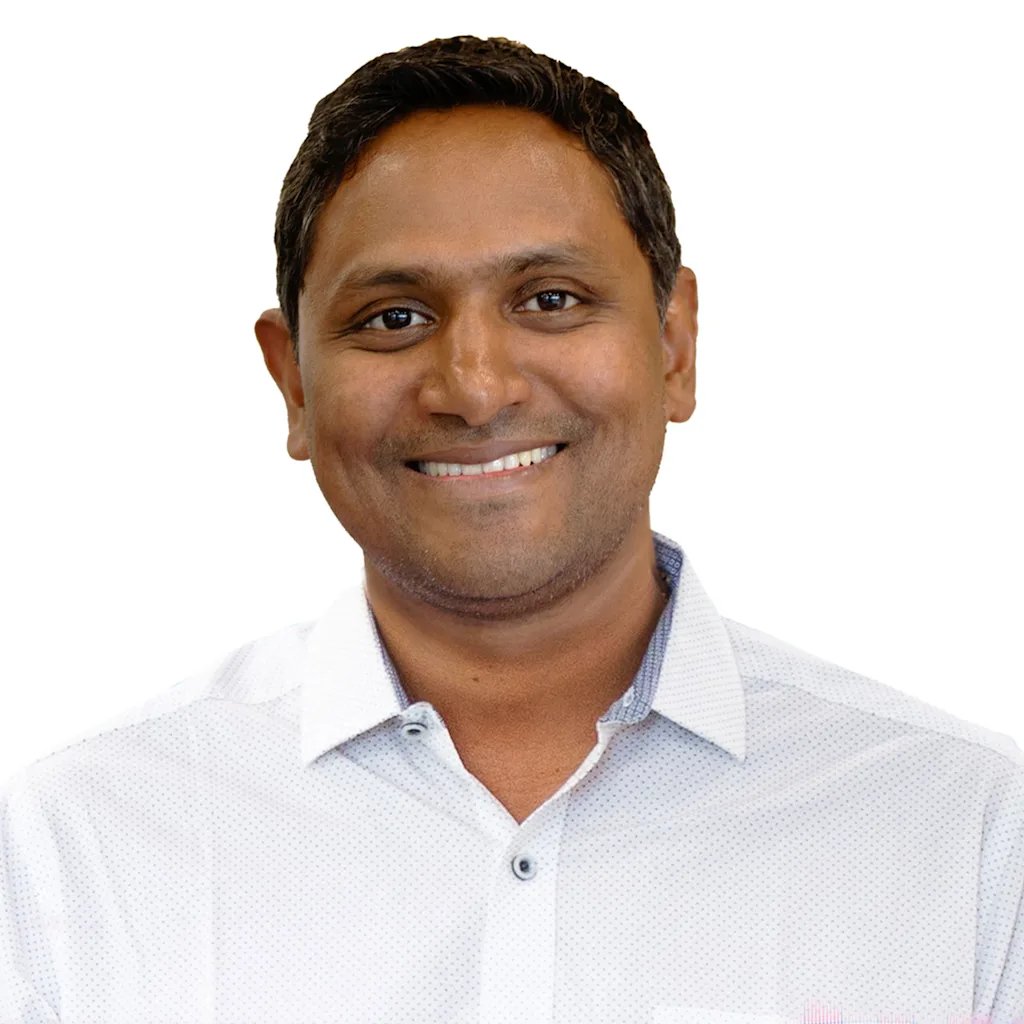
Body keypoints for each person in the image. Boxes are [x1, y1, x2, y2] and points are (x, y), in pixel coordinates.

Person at [1, 34, 1020, 1024]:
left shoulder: (967, 837)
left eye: (550, 299)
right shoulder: (74, 853)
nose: (476, 387)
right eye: (394, 317)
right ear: (294, 383)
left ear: (674, 346)